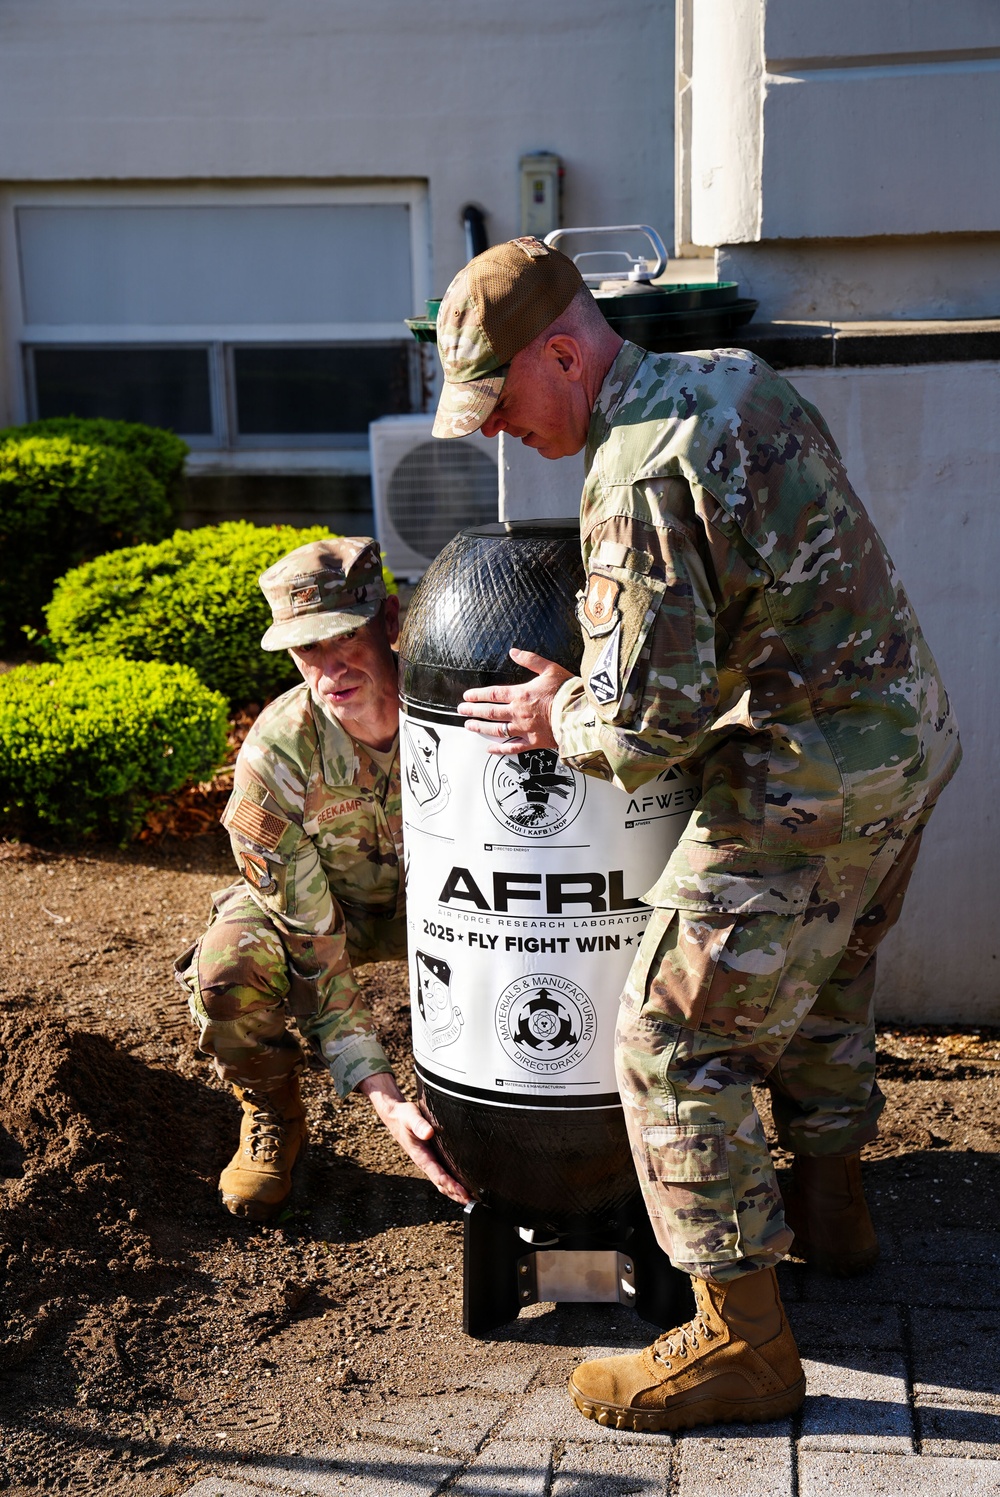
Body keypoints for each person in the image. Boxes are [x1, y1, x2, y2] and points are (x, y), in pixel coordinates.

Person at [433, 238, 960, 1431]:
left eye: (500, 400)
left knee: (673, 1039)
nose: (498, 430)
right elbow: (763, 590)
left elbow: (638, 731)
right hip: (903, 737)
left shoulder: (632, 477)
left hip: (806, 781)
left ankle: (741, 1346)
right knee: (822, 978)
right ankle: (831, 1213)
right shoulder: (730, 377)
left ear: (561, 353)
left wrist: (554, 712)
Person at [176, 536, 470, 1221]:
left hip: (454, 906)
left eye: (344, 636)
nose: (328, 667)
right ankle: (272, 1110)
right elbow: (315, 948)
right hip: (331, 910)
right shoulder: (277, 756)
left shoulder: (459, 709)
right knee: (228, 967)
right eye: (306, 648)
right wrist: (383, 1096)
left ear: (389, 620)